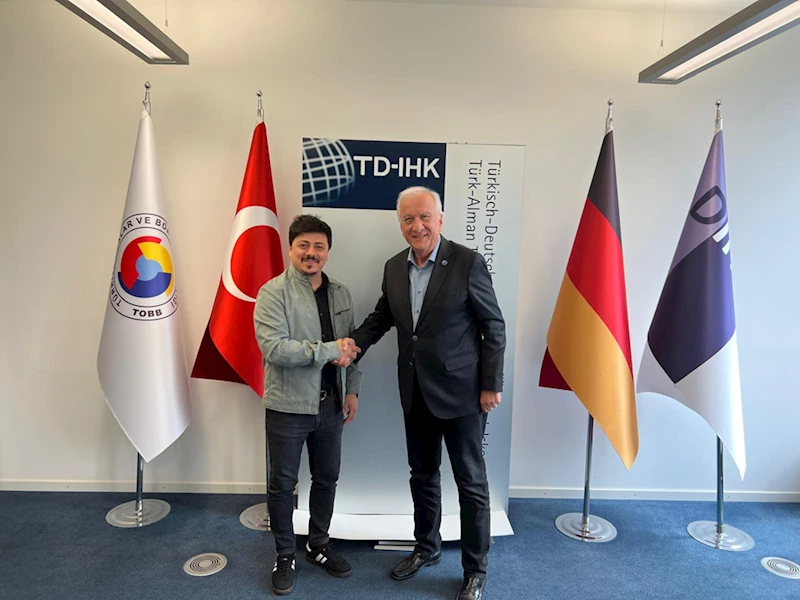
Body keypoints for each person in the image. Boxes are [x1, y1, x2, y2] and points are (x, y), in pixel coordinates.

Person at [351, 186, 505, 600]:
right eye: (408, 219)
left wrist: (491, 383)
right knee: (422, 475)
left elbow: (493, 326)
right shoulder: (393, 267)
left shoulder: (468, 262)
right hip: (415, 389)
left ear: (440, 219)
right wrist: (353, 345)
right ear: (399, 223)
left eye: (424, 217)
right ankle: (427, 547)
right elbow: (383, 316)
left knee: (470, 482)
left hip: (464, 394)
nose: (416, 226)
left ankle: (475, 570)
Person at [254, 214, 362, 596]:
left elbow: (351, 348)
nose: (311, 253)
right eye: (304, 245)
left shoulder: (341, 293)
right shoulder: (272, 293)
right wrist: (330, 350)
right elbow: (275, 348)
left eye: (319, 246)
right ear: (291, 248)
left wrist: (352, 389)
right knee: (283, 484)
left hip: (331, 407)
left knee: (327, 478)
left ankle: (318, 545)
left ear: (327, 252)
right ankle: (285, 554)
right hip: (287, 406)